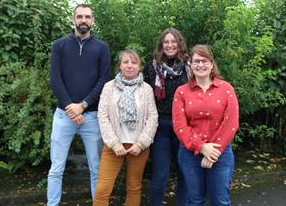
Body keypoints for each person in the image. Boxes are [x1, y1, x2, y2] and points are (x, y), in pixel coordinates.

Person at [47, 3, 111, 206]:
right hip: (63, 115)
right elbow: (55, 80)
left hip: (91, 117)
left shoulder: (102, 47)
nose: (84, 20)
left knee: (96, 168)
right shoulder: (59, 45)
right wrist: (71, 108)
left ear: (93, 21)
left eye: (87, 17)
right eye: (80, 16)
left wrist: (82, 105)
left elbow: (103, 81)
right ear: (73, 20)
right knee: (56, 168)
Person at [172, 44, 239, 206]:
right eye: (196, 61)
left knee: (221, 201)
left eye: (204, 61)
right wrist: (202, 147)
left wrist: (213, 151)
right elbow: (180, 126)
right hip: (190, 155)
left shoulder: (226, 88)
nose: (200, 65)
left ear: (211, 64)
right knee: (195, 201)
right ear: (190, 64)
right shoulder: (181, 92)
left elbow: (231, 122)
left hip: (221, 154)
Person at [93, 49, 158, 206]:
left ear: (139, 66)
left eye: (134, 62)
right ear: (119, 66)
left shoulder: (147, 89)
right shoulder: (109, 87)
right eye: (126, 62)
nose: (130, 66)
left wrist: (141, 144)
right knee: (102, 189)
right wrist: (114, 144)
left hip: (138, 147)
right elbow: (102, 116)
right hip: (113, 146)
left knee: (134, 187)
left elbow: (153, 117)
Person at [143, 28, 190, 206]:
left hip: (183, 126)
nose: (170, 45)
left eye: (173, 41)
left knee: (184, 171)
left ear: (179, 44)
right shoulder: (151, 67)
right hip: (159, 127)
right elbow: (145, 96)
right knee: (160, 174)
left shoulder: (189, 67)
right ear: (161, 45)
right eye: (166, 42)